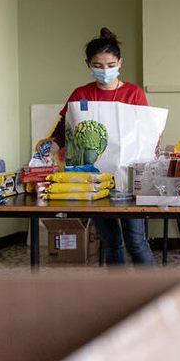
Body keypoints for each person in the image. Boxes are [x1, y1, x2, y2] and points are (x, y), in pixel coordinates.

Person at [55, 28, 154, 267]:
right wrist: (52, 146)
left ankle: (152, 293)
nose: (105, 70)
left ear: (120, 62)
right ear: (88, 64)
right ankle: (116, 294)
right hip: (94, 180)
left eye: (110, 64)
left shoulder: (134, 94)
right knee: (110, 242)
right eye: (98, 65)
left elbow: (148, 133)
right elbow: (63, 129)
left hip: (128, 180)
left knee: (136, 241)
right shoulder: (81, 94)